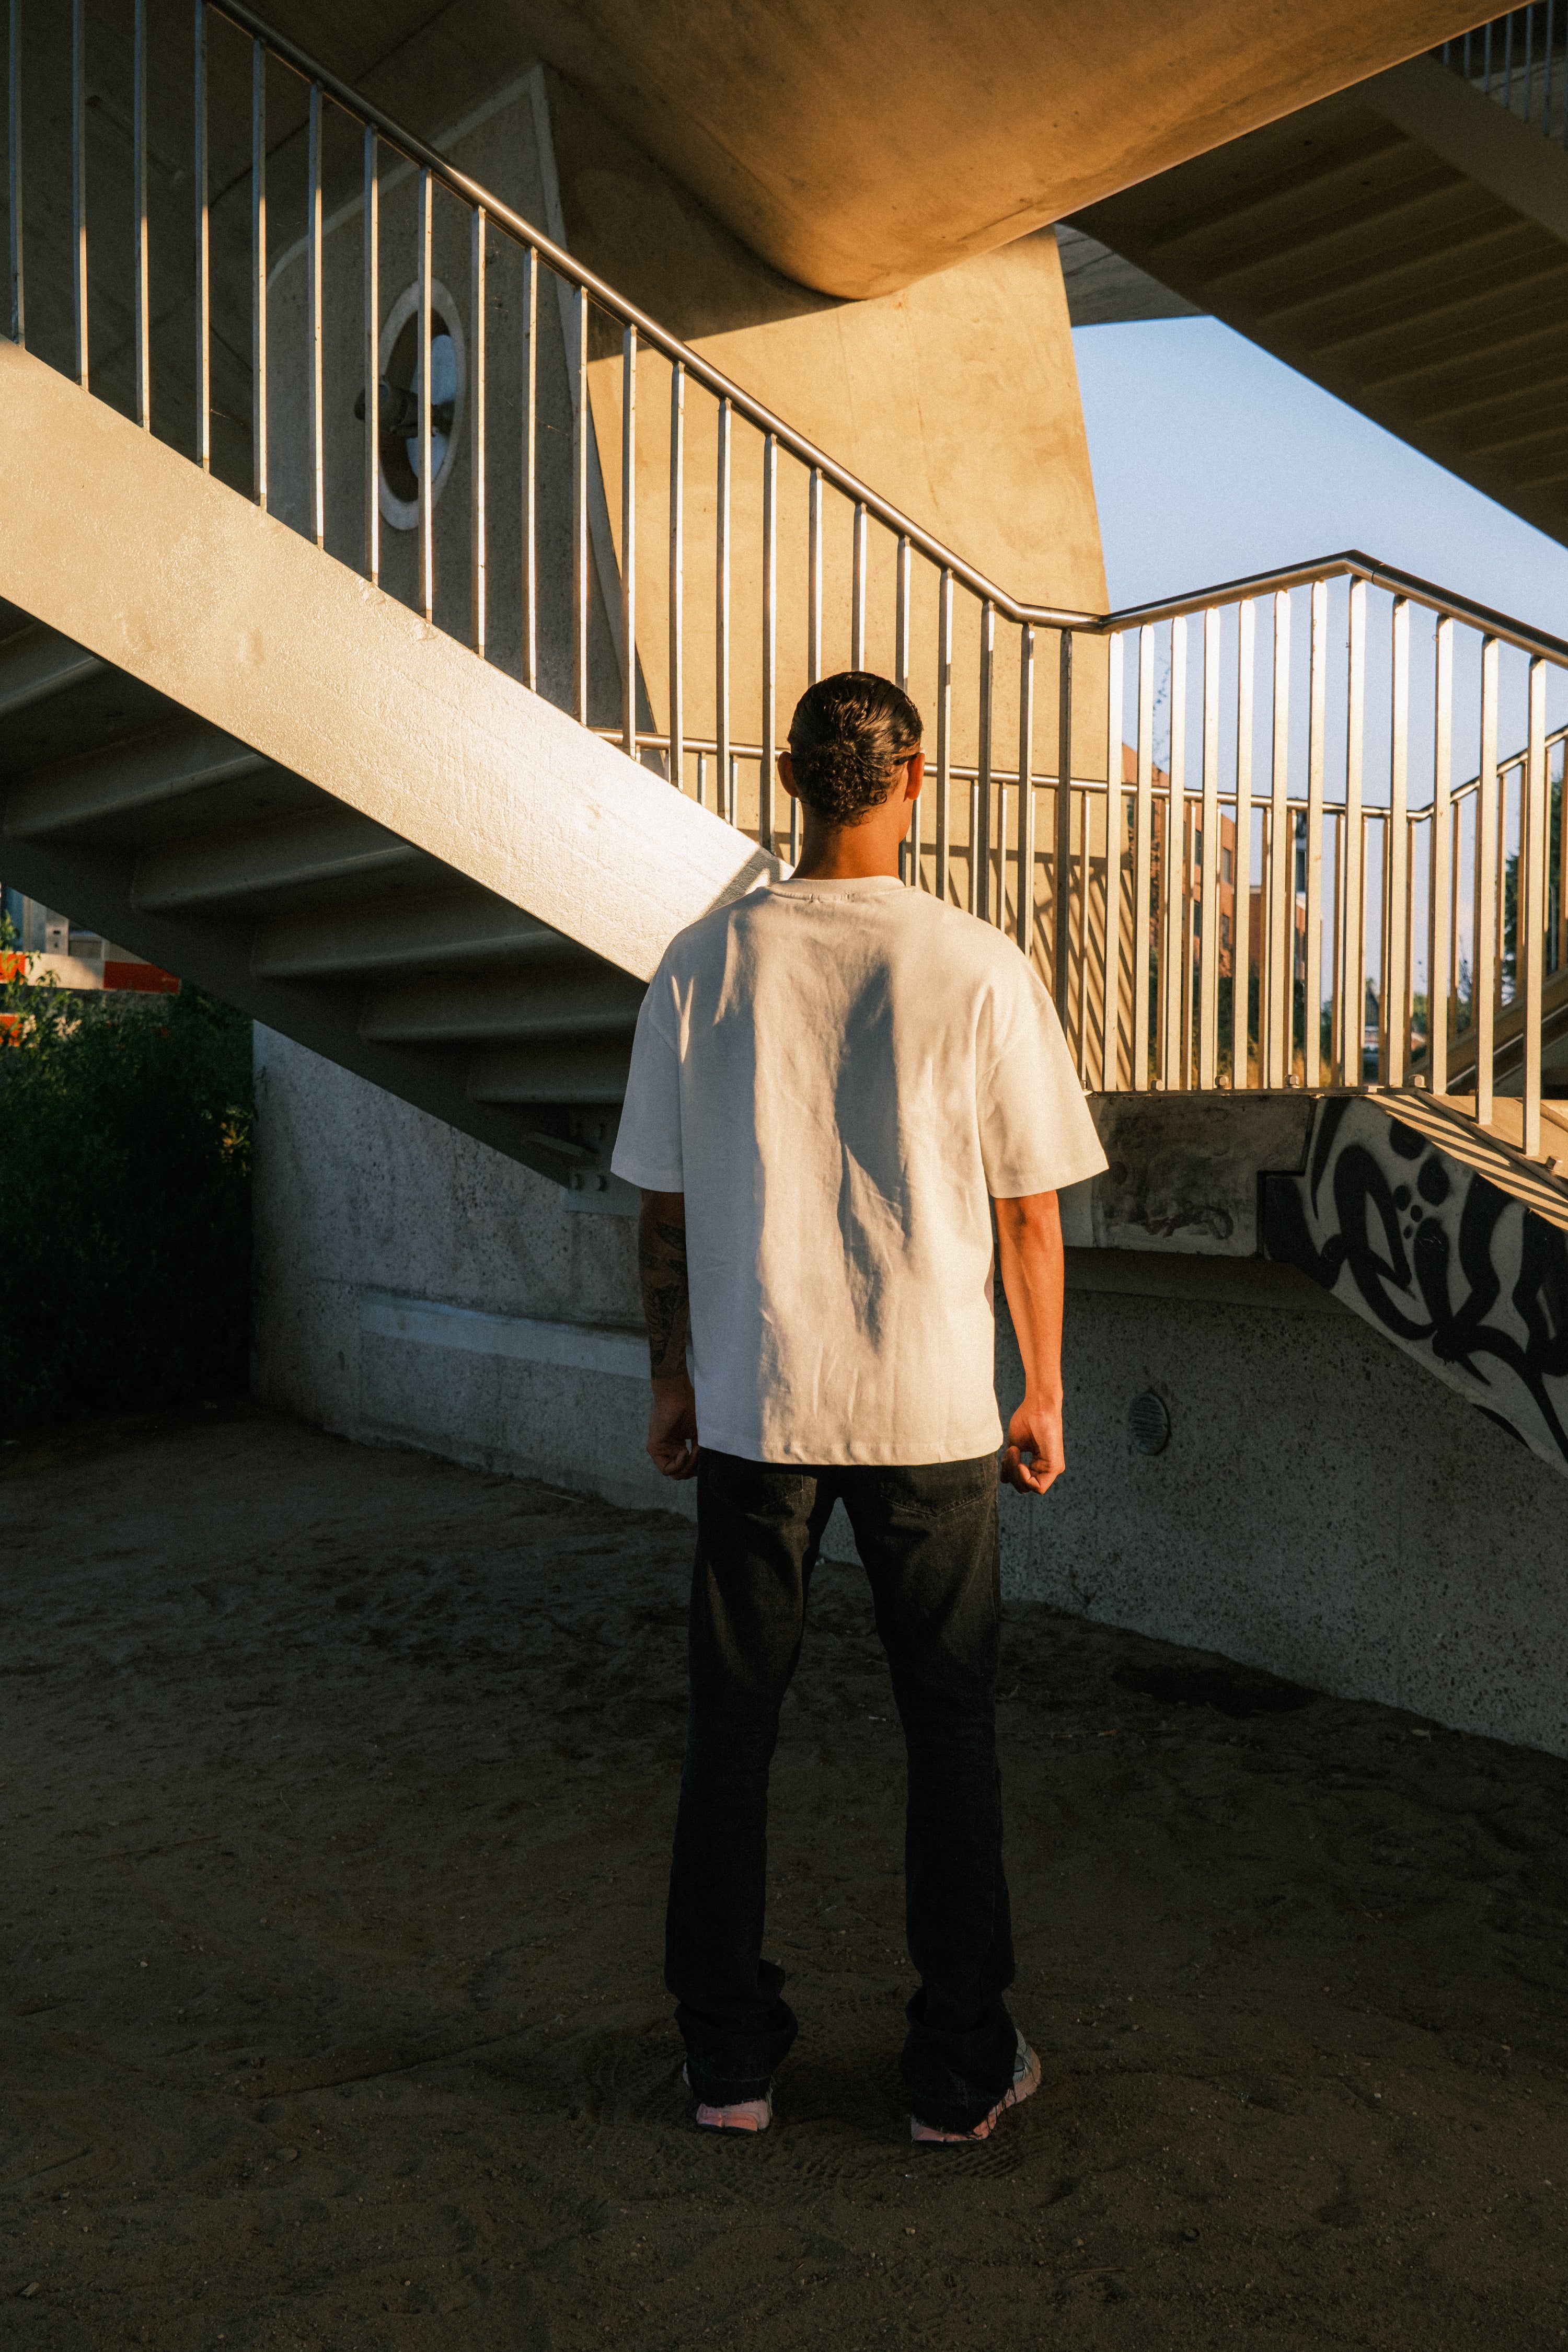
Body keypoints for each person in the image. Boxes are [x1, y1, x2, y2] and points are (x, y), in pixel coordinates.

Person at [610, 671, 1108, 2146]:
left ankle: (729, 2066)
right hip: (935, 1412)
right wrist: (1046, 1392)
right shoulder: (977, 964)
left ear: (789, 781)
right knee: (950, 1734)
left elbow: (661, 1210)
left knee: (730, 1730)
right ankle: (958, 2074)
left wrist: (670, 1372)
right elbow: (1028, 1217)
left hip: (760, 1405)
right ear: (913, 781)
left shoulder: (701, 964)